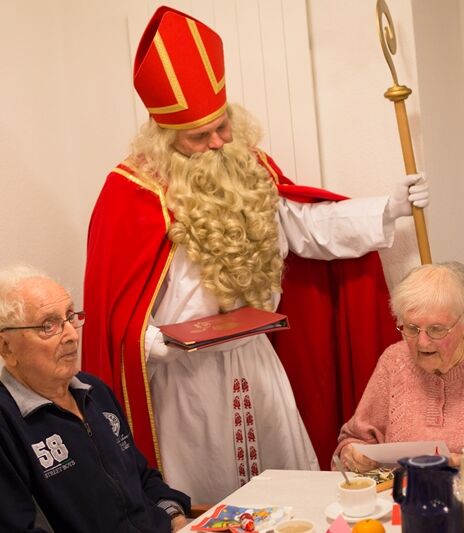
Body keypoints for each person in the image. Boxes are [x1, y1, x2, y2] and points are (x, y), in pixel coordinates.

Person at [82, 6, 429, 503]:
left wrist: (386, 208)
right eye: (200, 137)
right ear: (165, 138)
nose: (219, 143)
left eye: (222, 127)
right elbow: (114, 313)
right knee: (206, 496)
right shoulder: (130, 192)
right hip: (184, 382)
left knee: (287, 489)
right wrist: (153, 342)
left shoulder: (249, 167)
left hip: (255, 359)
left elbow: (304, 225)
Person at [0, 265, 190, 532]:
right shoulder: (7, 423)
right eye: (48, 325)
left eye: (70, 317)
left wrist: (175, 517)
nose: (71, 335)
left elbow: (143, 476)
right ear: (6, 347)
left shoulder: (94, 390)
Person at [335, 261, 464, 472]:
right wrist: (352, 453)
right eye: (411, 328)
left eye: (436, 329)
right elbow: (354, 438)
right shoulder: (394, 360)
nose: (422, 342)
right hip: (401, 497)